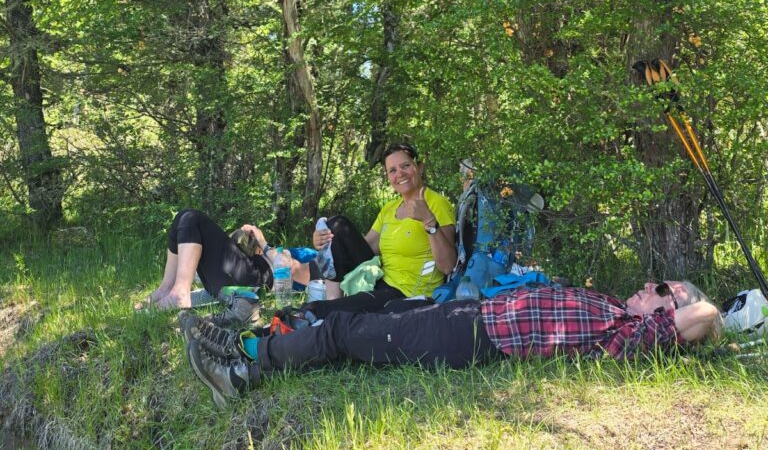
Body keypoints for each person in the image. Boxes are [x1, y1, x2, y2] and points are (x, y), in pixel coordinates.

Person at [182, 279, 722, 408]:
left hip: (471, 338)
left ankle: (244, 371)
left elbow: (707, 315)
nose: (647, 286)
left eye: (661, 289)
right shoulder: (612, 307)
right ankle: (238, 345)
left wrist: (696, 310)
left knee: (345, 334)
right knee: (355, 317)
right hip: (471, 314)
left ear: (668, 314)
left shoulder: (629, 334)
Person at [307, 141, 457, 316]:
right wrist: (324, 240)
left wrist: (428, 221)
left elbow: (448, 266)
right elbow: (365, 247)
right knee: (336, 225)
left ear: (420, 167)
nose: (399, 173)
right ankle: (333, 299)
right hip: (381, 282)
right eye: (392, 170)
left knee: (322, 311)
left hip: (408, 294)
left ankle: (325, 311)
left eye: (406, 166)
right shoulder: (390, 208)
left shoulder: (437, 204)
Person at [136, 209, 317, 310]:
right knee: (182, 217)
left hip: (256, 280)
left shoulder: (317, 258)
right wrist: (251, 244)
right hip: (244, 270)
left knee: (193, 218)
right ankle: (166, 287)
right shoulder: (306, 250)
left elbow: (294, 270)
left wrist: (263, 243)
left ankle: (180, 293)